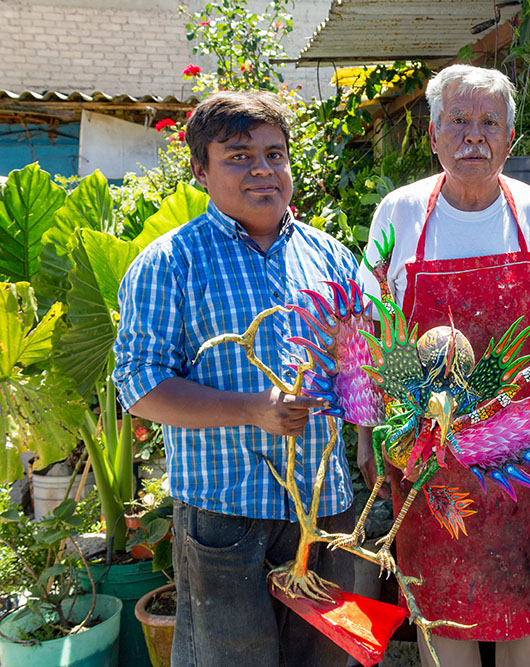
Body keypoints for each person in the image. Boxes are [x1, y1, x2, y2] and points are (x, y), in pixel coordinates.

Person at [113, 90, 358, 666]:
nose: (263, 170)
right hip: (226, 514)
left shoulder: (330, 256)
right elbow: (140, 386)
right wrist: (253, 408)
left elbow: (359, 368)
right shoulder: (171, 261)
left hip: (324, 512)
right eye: (239, 156)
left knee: (322, 657)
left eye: (275, 154)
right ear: (200, 169)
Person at [356, 64, 530, 667]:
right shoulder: (399, 214)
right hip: (428, 465)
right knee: (444, 624)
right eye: (458, 121)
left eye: (489, 123)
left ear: (511, 139)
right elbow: (373, 334)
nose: (473, 136)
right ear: (432, 135)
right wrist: (372, 440)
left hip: (523, 464)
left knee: (526, 625)